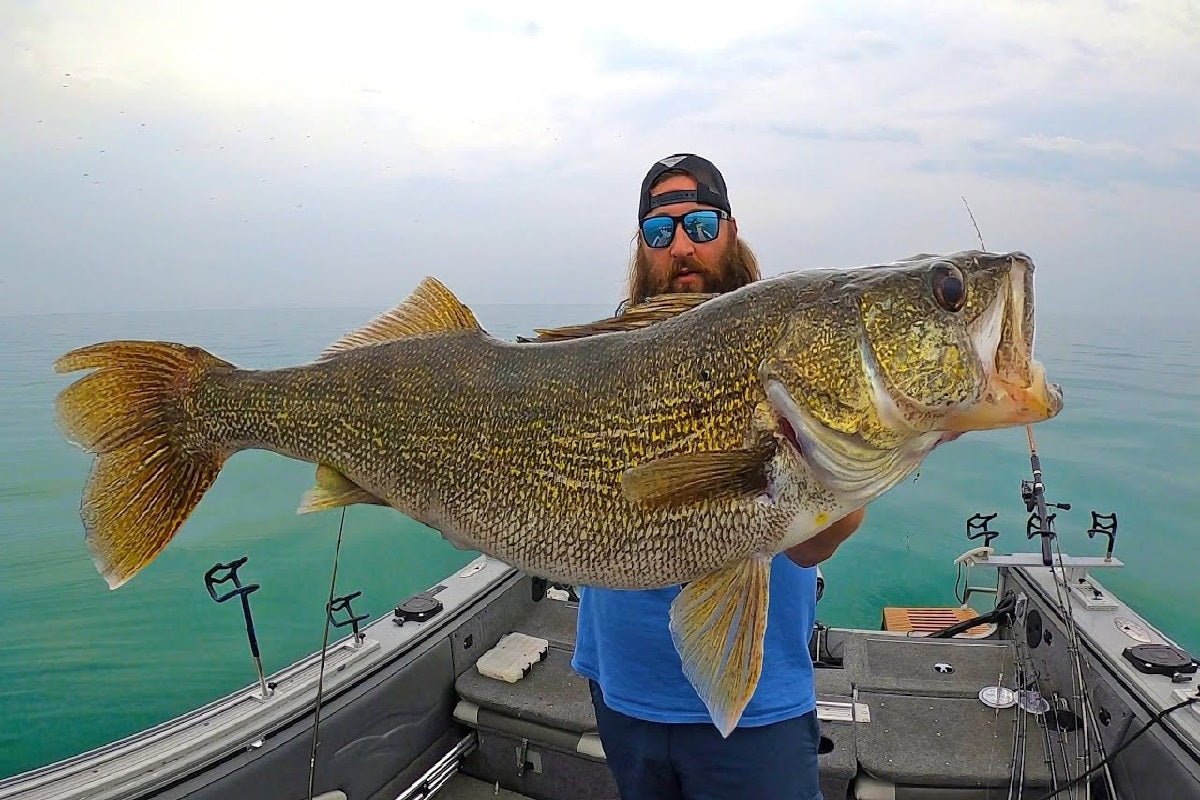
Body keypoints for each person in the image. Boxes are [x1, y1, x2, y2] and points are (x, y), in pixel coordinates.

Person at [571, 153, 866, 800]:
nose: (681, 246)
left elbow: (813, 541)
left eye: (700, 225)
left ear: (731, 231)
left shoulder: (787, 349)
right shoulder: (602, 359)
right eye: (659, 232)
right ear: (641, 250)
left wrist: (840, 493)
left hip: (756, 709)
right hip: (622, 688)